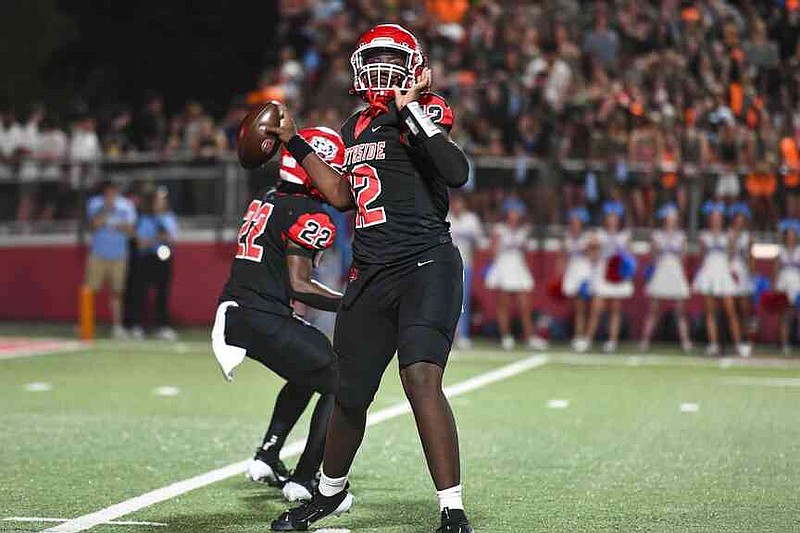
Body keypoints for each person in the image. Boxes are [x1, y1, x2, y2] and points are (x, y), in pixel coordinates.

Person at [266, 24, 473, 533]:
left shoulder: (426, 112)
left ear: (415, 69)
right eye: (374, 57)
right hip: (371, 271)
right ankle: (330, 493)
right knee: (350, 391)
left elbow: (455, 169)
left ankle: (452, 506)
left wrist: (411, 107)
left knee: (420, 377)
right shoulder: (355, 126)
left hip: (426, 265)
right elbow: (340, 196)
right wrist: (293, 142)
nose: (382, 67)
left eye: (392, 57)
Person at [212, 126, 345, 503]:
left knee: (308, 370)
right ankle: (306, 479)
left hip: (239, 310)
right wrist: (351, 303)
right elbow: (300, 284)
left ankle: (268, 456)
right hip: (260, 314)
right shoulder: (304, 210)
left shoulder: (267, 197)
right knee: (341, 378)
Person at [485, 198, 548, 351]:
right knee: (503, 305)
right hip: (503, 266)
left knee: (525, 306)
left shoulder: (523, 231)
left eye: (517, 212)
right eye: (512, 212)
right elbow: (492, 251)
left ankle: (530, 337)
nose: (515, 215)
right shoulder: (499, 230)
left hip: (518, 267)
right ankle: (506, 337)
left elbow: (525, 252)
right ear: (508, 213)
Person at [692, 201, 750, 357]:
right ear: (709, 219)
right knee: (709, 312)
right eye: (713, 217)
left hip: (723, 273)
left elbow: (731, 257)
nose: (716, 220)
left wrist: (731, 273)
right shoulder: (703, 236)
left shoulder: (729, 236)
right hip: (709, 272)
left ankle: (738, 345)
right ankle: (713, 345)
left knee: (730, 311)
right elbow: (702, 256)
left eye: (718, 217)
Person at [576, 201, 633, 353]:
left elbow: (630, 256)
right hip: (602, 272)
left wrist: (625, 265)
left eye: (615, 217)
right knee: (596, 308)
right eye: (609, 217)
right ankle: (588, 339)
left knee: (615, 308)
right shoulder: (598, 235)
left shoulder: (624, 236)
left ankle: (612, 341)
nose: (612, 219)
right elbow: (591, 256)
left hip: (617, 274)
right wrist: (593, 249)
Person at [85, 181, 136, 338]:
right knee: (90, 290)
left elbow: (130, 229)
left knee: (117, 292)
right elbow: (94, 224)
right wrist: (107, 211)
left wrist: (115, 224)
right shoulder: (95, 204)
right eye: (108, 191)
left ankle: (117, 326)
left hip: (119, 255)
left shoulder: (126, 205)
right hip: (98, 254)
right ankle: (86, 324)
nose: (111, 194)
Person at [640, 203, 692, 352]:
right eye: (668, 218)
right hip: (661, 272)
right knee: (654, 310)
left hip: (675, 272)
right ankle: (645, 341)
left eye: (673, 218)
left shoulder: (681, 237)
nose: (670, 220)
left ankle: (686, 342)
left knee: (680, 311)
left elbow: (684, 258)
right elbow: (652, 257)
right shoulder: (656, 235)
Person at [128, 187, 178, 341]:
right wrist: (156, 238)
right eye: (158, 199)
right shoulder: (144, 217)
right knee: (140, 292)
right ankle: (137, 325)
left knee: (162, 293)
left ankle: (161, 326)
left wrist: (158, 237)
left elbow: (172, 238)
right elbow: (141, 242)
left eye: (163, 200)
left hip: (163, 258)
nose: (160, 202)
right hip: (145, 259)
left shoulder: (168, 217)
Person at [447, 193, 482, 349]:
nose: (456, 206)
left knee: (463, 301)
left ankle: (463, 335)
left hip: (465, 264)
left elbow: (478, 243)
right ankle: (448, 335)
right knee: (446, 301)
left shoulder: (472, 220)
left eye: (459, 203)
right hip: (447, 265)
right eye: (454, 203)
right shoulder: (445, 217)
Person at [560, 207, 593, 349]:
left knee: (582, 306)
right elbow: (562, 256)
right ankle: (577, 335)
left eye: (577, 221)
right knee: (575, 306)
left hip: (584, 272)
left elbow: (594, 256)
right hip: (572, 272)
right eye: (572, 221)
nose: (574, 223)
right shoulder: (566, 236)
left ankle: (581, 336)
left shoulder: (589, 236)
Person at [728, 203, 756, 342]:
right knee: (731, 307)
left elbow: (750, 257)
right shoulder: (728, 234)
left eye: (742, 220)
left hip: (743, 272)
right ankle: (734, 338)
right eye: (737, 220)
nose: (739, 223)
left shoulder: (748, 237)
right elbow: (728, 255)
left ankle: (746, 337)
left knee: (744, 307)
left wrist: (752, 274)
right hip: (730, 270)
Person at [774, 219, 800, 355]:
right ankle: (785, 344)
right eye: (788, 235)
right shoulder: (781, 251)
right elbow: (776, 270)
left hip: (797, 285)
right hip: (784, 284)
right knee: (785, 316)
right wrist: (775, 287)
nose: (790, 238)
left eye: (793, 235)